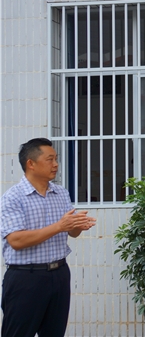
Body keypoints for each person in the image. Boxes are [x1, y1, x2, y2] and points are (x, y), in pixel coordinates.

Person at [1, 137, 96, 337]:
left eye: (56, 159)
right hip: (26, 278)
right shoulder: (13, 197)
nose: (56, 164)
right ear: (31, 164)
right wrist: (59, 226)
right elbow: (16, 240)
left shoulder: (60, 193)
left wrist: (77, 225)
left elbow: (71, 232)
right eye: (50, 159)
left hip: (59, 274)